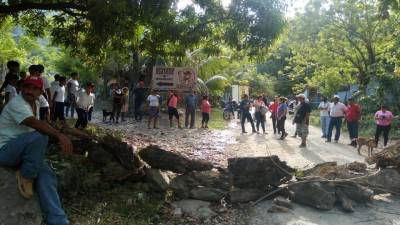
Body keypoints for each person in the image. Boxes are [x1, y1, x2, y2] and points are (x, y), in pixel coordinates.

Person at [0, 76, 72, 225]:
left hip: (23, 152)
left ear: (40, 92)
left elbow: (39, 125)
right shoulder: (17, 103)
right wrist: (60, 136)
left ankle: (58, 220)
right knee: (40, 136)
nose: (29, 91)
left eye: (34, 89)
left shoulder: (36, 103)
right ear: (21, 88)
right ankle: (26, 176)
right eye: (26, 87)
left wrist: (61, 133)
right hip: (6, 151)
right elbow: (33, 123)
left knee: (47, 175)